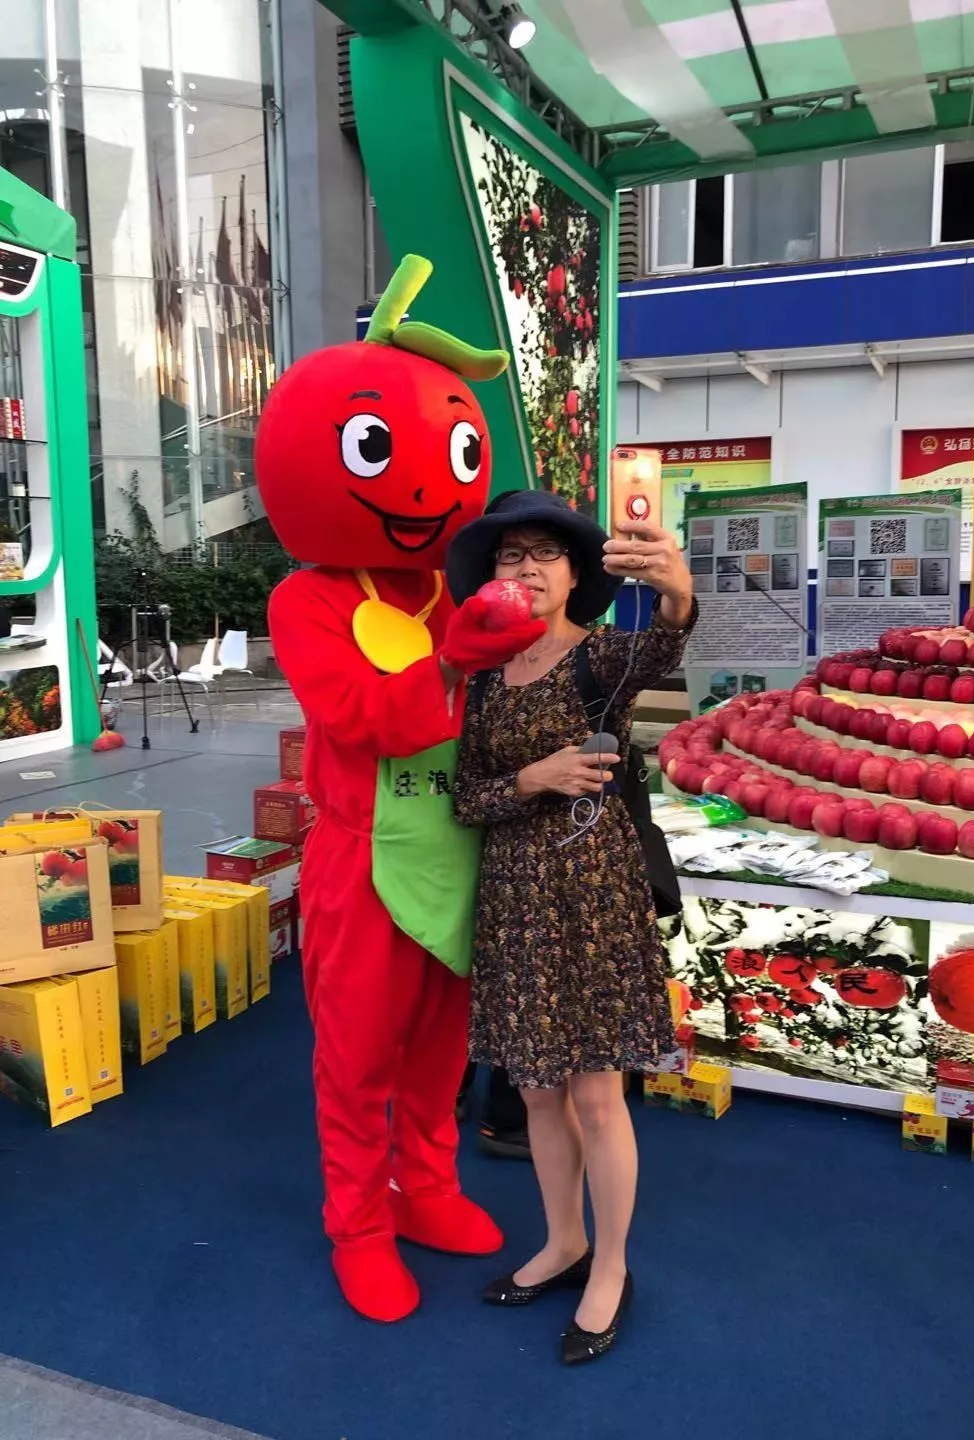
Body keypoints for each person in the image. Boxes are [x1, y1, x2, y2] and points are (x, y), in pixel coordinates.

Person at [255, 257, 544, 1325]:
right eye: (379, 452)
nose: (426, 487)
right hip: (360, 860)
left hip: (459, 851)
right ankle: (358, 1224)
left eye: (454, 454)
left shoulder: (452, 587)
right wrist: (460, 660)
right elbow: (355, 717)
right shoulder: (307, 601)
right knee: (357, 1055)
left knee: (439, 1048)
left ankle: (424, 1185)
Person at [448, 489, 695, 1364]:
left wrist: (675, 586)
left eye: (544, 553)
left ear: (574, 571)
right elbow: (464, 798)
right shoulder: (478, 678)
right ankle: (563, 1241)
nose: (525, 568)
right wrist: (534, 778)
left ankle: (611, 1267)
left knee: (597, 1094)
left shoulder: (604, 659)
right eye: (510, 554)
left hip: (593, 898)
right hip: (514, 903)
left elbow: (667, 639)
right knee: (538, 1092)